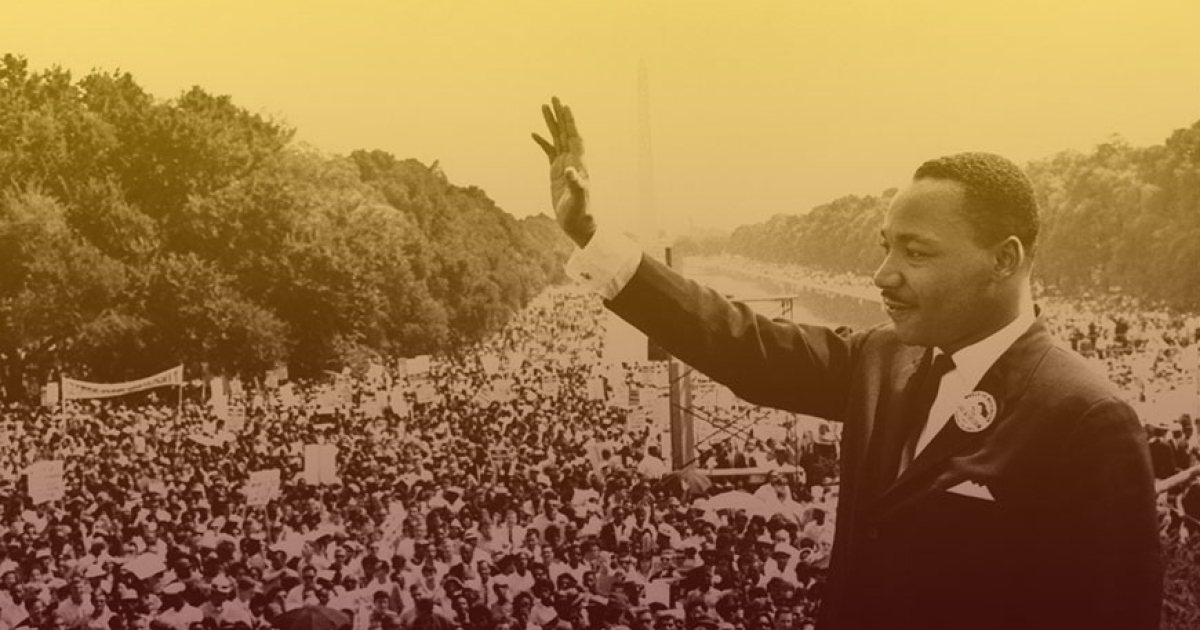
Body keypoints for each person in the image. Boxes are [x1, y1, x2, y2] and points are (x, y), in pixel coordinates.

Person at [532, 97, 1161, 630]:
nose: (882, 275)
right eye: (886, 247)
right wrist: (593, 236)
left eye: (915, 252)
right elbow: (737, 343)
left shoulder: (1087, 416)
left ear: (1004, 260)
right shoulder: (882, 358)